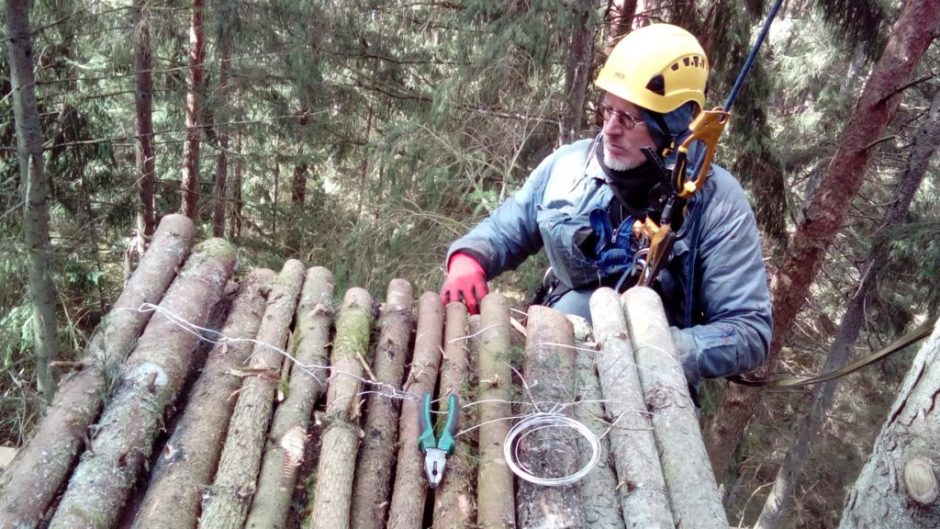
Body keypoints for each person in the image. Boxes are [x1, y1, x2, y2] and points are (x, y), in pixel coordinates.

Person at [439, 23, 771, 387]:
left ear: (672, 128)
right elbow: (507, 229)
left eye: (628, 118)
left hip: (648, 391)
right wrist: (470, 258)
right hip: (552, 354)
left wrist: (657, 349)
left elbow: (748, 333)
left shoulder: (715, 202)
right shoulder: (569, 165)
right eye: (607, 109)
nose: (609, 128)